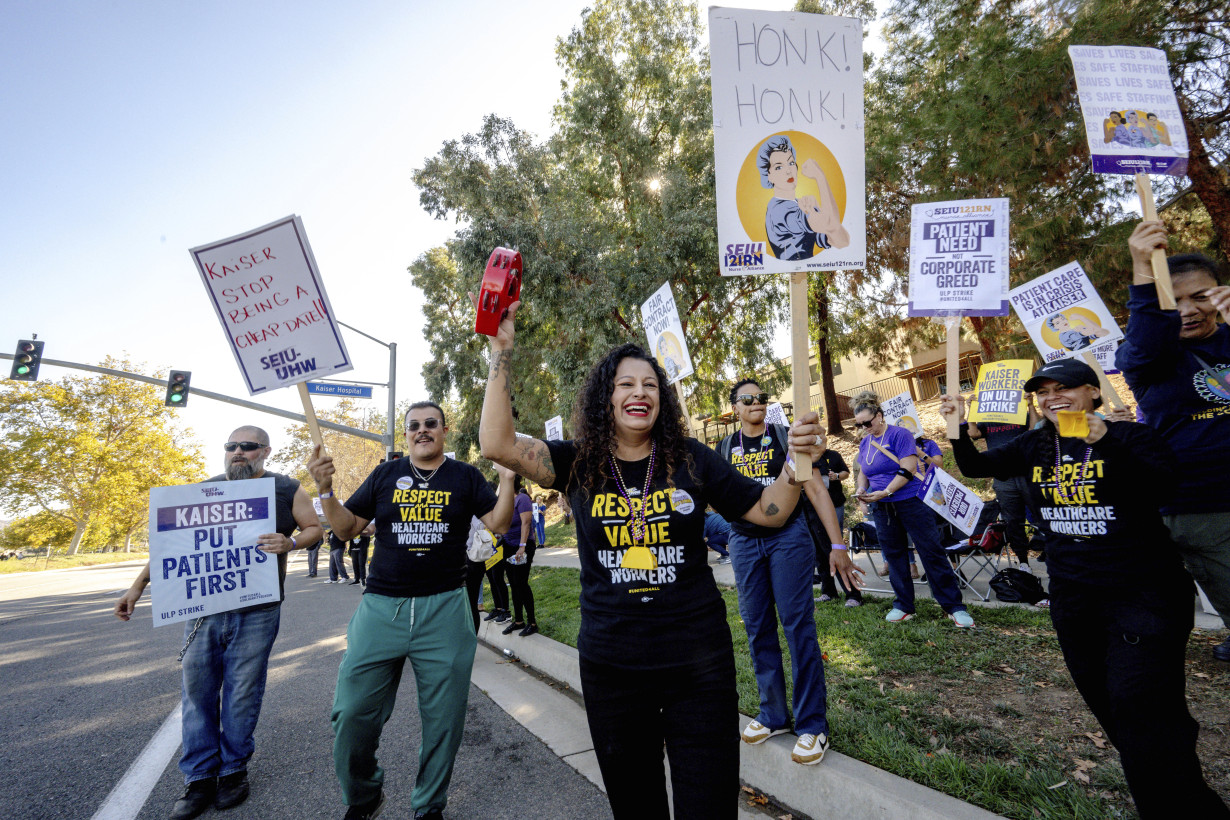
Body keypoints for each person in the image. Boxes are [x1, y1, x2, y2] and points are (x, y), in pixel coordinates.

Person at [476, 297, 825, 820]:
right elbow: (496, 442)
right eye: (626, 384)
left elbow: (766, 509)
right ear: (605, 398)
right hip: (612, 669)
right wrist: (501, 350)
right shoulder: (576, 463)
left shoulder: (691, 457)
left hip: (698, 667)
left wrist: (798, 468)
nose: (640, 393)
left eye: (650, 385)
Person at [939, 360, 1229, 819]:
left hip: (1143, 594)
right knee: (1116, 709)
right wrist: (956, 428)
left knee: (1140, 709)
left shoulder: (1130, 436)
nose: (1051, 396)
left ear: (1094, 391)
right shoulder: (1035, 444)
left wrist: (1106, 440)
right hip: (1074, 599)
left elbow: (1166, 481)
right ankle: (1187, 797)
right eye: (1042, 391)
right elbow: (975, 464)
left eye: (1065, 387)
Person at [307, 402, 517, 820]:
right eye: (413, 426)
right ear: (405, 435)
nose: (422, 431)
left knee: (444, 719)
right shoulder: (386, 475)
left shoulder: (465, 476)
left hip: (445, 609)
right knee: (351, 712)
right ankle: (364, 794)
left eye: (430, 424)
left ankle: (429, 805)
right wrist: (326, 491)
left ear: (444, 430)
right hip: (382, 609)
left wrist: (508, 480)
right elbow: (347, 528)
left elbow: (498, 524)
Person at [115, 426, 322, 820]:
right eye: (231, 446)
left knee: (243, 693)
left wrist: (291, 542)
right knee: (198, 693)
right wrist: (136, 588)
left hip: (258, 610)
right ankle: (198, 778)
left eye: (247, 446)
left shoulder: (285, 489)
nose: (238, 452)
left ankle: (232, 771)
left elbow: (314, 529)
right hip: (203, 611)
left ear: (265, 451)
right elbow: (171, 548)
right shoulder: (200, 493)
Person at [716, 380, 863, 761]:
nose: (756, 404)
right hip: (745, 543)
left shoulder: (785, 437)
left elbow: (814, 489)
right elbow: (713, 502)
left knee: (798, 626)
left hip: (788, 539)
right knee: (757, 626)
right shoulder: (723, 448)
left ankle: (813, 725)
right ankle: (773, 714)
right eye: (747, 399)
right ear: (734, 407)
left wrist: (838, 544)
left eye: (762, 398)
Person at [1117, 220, 1230, 661]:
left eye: (1200, 296)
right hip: (1195, 503)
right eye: (1174, 299)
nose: (1187, 309)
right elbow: (1145, 338)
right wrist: (1143, 268)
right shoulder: (1148, 358)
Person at [851, 392, 973, 627]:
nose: (864, 428)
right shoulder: (866, 441)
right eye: (859, 425)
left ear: (879, 415)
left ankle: (954, 607)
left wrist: (886, 491)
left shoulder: (900, 434)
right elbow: (862, 472)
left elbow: (907, 468)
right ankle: (904, 605)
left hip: (910, 500)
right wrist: (861, 492)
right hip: (882, 507)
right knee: (895, 554)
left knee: (930, 551)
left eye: (867, 422)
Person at [966, 400, 1041, 571]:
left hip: (1028, 473)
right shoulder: (989, 417)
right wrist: (972, 408)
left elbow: (1035, 428)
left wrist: (1030, 404)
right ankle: (1023, 562)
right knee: (1012, 520)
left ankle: (1052, 553)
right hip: (1003, 477)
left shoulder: (1019, 411)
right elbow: (973, 433)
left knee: (1042, 515)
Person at [757, 134, 850, 260]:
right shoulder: (778, 209)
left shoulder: (798, 205)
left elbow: (841, 241)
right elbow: (830, 224)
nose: (788, 171)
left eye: (790, 162)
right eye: (778, 167)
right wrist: (820, 177)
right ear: (769, 176)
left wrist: (815, 211)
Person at [500, 477, 539, 636]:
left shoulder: (522, 499)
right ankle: (518, 621)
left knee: (522, 584)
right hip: (508, 546)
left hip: (522, 546)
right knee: (514, 584)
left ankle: (532, 622)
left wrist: (522, 546)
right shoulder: (506, 501)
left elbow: (526, 523)